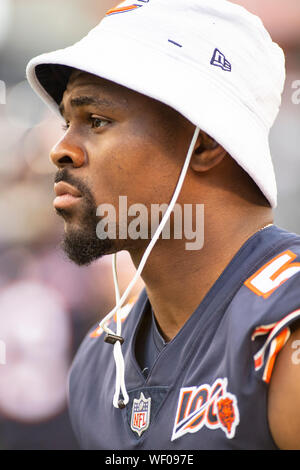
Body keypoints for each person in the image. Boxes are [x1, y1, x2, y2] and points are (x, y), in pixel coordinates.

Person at [26, 0, 300, 450]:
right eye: (66, 122)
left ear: (206, 141)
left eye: (96, 120)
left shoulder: (284, 326)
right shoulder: (97, 363)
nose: (60, 149)